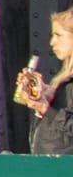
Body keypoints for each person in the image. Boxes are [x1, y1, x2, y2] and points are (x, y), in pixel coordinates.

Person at [16, 8, 73, 156]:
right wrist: (41, 95)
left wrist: (46, 109)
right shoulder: (64, 80)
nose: (52, 42)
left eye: (59, 35)